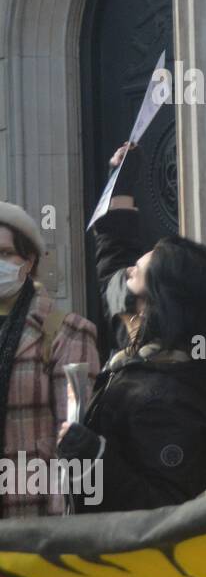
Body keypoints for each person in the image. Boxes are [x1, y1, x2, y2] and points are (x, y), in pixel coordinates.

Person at [57, 145, 206, 511]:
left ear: (158, 299)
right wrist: (121, 180)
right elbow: (115, 254)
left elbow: (159, 509)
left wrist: (93, 455)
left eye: (136, 273)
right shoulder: (140, 350)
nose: (126, 272)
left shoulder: (169, 401)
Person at [0, 203, 99, 519]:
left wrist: (61, 535)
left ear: (28, 262)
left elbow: (72, 446)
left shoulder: (65, 332)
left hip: (31, 527)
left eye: (4, 254)